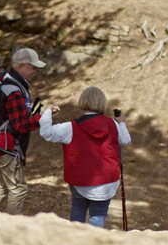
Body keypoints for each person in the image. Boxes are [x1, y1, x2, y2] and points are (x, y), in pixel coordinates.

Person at [39, 86, 131, 228]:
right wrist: (122, 122)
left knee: (78, 208)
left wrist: (47, 113)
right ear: (102, 103)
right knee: (98, 215)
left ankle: (76, 240)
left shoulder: (70, 127)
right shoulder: (112, 124)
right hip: (107, 182)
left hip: (79, 180)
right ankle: (93, 243)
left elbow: (46, 132)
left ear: (83, 102)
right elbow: (125, 140)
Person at [0, 48, 46, 215]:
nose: (35, 71)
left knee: (2, 186)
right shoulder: (15, 90)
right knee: (18, 188)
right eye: (33, 67)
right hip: (8, 145)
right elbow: (21, 125)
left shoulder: (7, 82)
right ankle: (12, 225)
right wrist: (44, 118)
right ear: (22, 66)